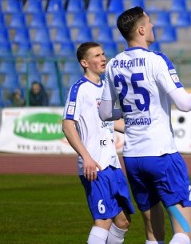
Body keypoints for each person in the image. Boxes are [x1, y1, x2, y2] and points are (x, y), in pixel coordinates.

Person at [98, 6, 191, 244]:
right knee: (184, 232)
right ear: (142, 30)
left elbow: (105, 112)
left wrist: (132, 114)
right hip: (162, 156)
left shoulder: (113, 65)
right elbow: (184, 103)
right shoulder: (156, 60)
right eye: (150, 22)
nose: (153, 25)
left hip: (134, 158)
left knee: (154, 236)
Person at [62, 42, 134, 244]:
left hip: (112, 164)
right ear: (84, 62)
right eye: (96, 55)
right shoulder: (80, 89)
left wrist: (139, 127)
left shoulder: (106, 88)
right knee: (103, 220)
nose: (103, 58)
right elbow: (68, 126)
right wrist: (86, 158)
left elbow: (110, 121)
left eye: (103, 54)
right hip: (94, 165)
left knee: (123, 221)